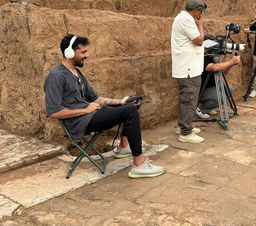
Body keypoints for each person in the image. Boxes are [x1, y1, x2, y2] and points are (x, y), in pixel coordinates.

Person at [44, 34, 166, 179]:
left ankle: (124, 147)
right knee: (130, 112)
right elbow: (54, 112)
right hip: (80, 123)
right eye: (83, 52)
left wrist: (121, 101)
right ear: (69, 52)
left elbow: (96, 99)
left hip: (90, 114)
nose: (87, 55)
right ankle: (139, 164)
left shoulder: (77, 74)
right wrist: (86, 110)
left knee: (131, 105)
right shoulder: (56, 76)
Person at [171, 0, 207, 143]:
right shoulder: (186, 19)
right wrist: (201, 26)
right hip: (188, 69)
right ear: (196, 11)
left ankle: (185, 126)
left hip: (189, 67)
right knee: (189, 99)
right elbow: (198, 40)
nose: (201, 15)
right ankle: (186, 133)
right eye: (201, 12)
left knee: (188, 98)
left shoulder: (183, 18)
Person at [196, 52, 241, 119]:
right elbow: (214, 68)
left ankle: (209, 108)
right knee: (219, 97)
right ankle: (201, 108)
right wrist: (231, 62)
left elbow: (222, 73)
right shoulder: (203, 57)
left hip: (211, 88)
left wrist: (231, 64)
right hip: (201, 91)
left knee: (229, 89)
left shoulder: (215, 58)